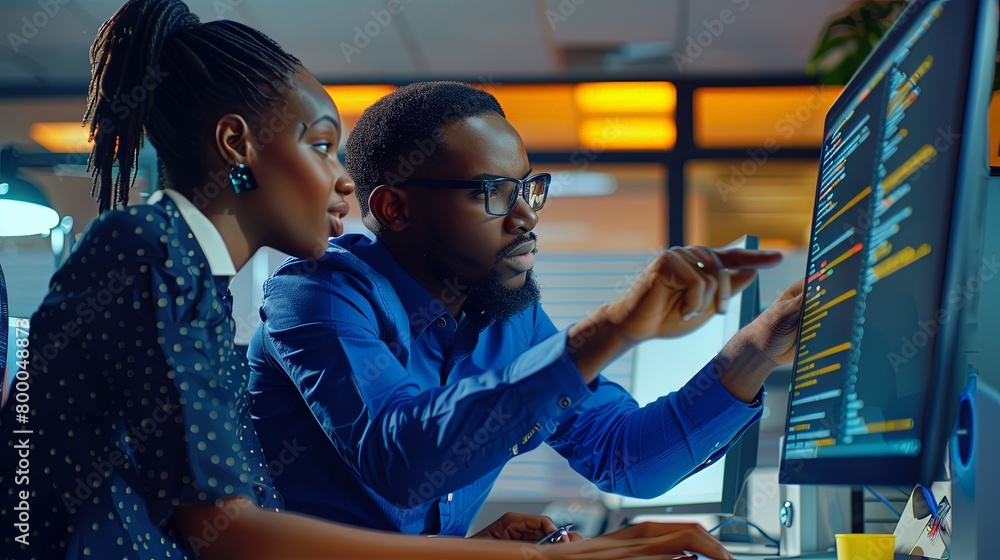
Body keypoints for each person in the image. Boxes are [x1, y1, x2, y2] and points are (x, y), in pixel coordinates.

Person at [0, 2, 738, 559]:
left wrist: (764, 344)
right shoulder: (159, 251)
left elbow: (224, 519)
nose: (343, 186)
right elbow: (225, 537)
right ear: (237, 145)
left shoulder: (196, 279)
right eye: (322, 145)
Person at [247, 81, 805, 541]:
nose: (525, 216)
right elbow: (403, 459)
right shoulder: (317, 294)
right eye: (490, 191)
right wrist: (614, 327)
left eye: (528, 189)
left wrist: (753, 353)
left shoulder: (509, 319)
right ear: (394, 208)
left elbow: (626, 456)